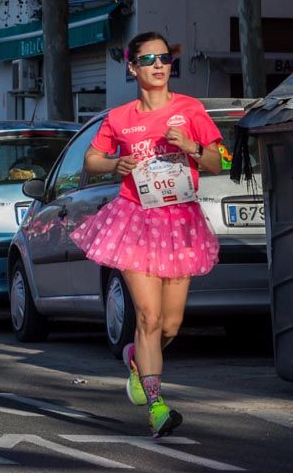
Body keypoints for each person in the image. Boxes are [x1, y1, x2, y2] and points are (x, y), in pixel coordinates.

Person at [69, 31, 224, 437]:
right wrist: (114, 165)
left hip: (181, 222)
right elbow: (91, 159)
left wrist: (190, 146)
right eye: (149, 59)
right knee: (149, 316)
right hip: (135, 220)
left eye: (165, 58)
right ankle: (157, 406)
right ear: (132, 67)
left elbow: (216, 163)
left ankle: (137, 360)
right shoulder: (120, 117)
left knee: (170, 325)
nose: (158, 65)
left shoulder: (190, 109)